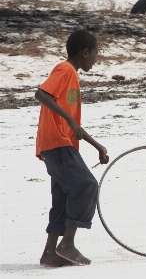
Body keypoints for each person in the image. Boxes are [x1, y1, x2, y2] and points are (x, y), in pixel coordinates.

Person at [35, 29, 109, 267]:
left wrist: (96, 145)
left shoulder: (72, 76)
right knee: (86, 185)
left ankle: (50, 252)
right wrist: (68, 120)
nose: (96, 59)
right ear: (85, 52)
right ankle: (67, 244)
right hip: (57, 144)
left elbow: (73, 124)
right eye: (95, 54)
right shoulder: (65, 70)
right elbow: (41, 94)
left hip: (59, 144)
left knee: (62, 197)